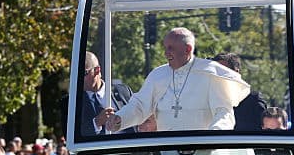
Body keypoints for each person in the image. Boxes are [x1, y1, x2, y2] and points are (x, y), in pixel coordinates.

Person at [105, 27, 249, 132]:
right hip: (166, 152)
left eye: (171, 48)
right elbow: (140, 105)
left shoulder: (210, 73)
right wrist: (120, 118)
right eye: (165, 48)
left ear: (187, 49)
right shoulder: (158, 75)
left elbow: (223, 113)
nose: (166, 53)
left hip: (201, 153)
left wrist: (213, 136)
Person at [77, 51, 134, 136]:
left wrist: (122, 120)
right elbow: (72, 136)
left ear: (97, 70)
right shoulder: (74, 102)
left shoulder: (123, 91)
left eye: (83, 73)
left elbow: (138, 119)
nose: (78, 78)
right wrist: (96, 123)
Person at [212, 52, 267, 131]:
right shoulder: (208, 100)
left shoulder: (253, 100)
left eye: (223, 72)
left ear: (236, 73)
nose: (218, 76)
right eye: (215, 72)